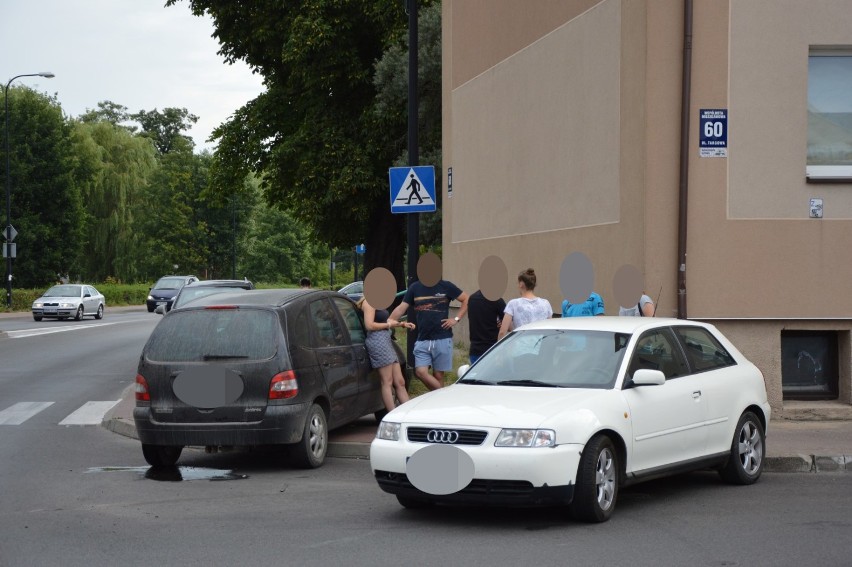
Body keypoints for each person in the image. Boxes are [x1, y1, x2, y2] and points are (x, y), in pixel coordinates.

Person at [389, 275, 469, 391]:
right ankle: (445, 394)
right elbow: (401, 308)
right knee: (420, 372)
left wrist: (456, 319)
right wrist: (389, 323)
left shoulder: (446, 286)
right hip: (423, 339)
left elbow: (466, 299)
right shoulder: (415, 288)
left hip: (442, 337)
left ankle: (438, 403)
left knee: (438, 376)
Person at [356, 297, 414, 412]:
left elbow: (385, 321)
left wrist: (401, 324)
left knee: (400, 381)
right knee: (387, 381)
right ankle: (392, 414)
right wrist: (388, 325)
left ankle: (409, 412)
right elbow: (370, 325)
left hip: (385, 339)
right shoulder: (368, 302)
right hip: (377, 341)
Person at [498, 268, 553, 340]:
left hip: (521, 348)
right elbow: (551, 329)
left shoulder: (513, 304)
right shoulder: (545, 303)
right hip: (540, 347)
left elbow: (502, 332)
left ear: (521, 284)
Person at [467, 290, 506, 364]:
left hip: (475, 349)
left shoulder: (472, 298)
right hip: (492, 349)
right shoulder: (497, 300)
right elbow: (509, 325)